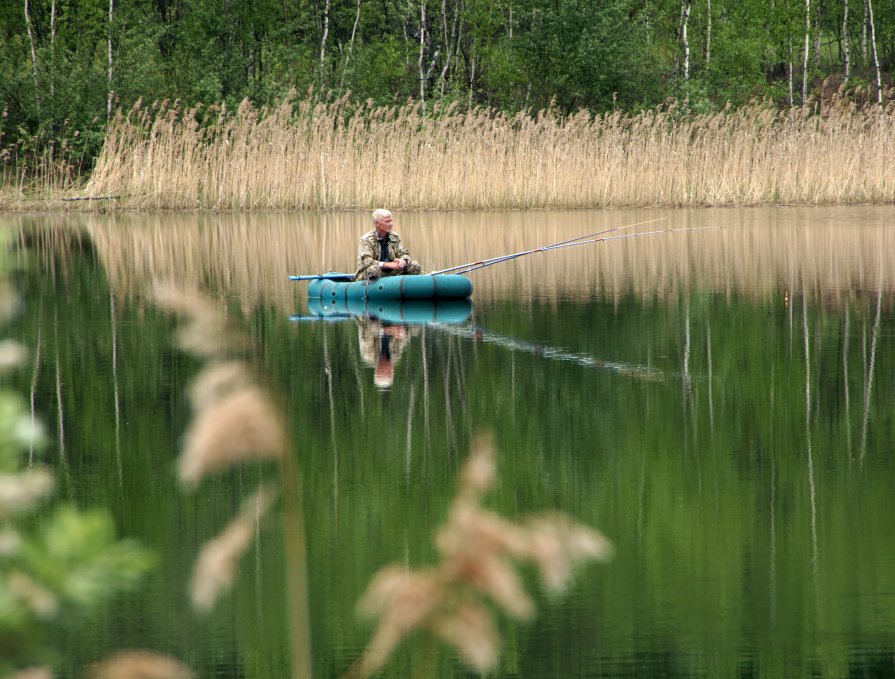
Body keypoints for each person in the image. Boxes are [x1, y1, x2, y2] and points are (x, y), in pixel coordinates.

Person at [355, 208, 422, 281]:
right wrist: (387, 265)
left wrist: (403, 261)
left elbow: (403, 253)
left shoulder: (394, 237)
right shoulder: (366, 239)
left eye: (391, 221)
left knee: (415, 265)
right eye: (387, 221)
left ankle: (408, 289)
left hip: (392, 271)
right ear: (377, 223)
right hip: (377, 271)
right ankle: (373, 290)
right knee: (373, 270)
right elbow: (366, 261)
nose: (391, 224)